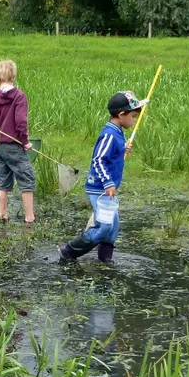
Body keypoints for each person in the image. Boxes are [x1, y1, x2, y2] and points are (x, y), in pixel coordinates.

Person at [58, 91, 142, 263]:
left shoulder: (117, 132)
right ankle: (68, 252)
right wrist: (108, 183)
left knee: (113, 227)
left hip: (106, 190)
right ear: (121, 115)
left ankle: (105, 260)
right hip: (99, 188)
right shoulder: (109, 134)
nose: (134, 121)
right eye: (133, 116)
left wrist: (121, 150)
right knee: (104, 226)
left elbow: (110, 154)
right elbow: (98, 161)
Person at [0, 60, 35, 224]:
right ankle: (29, 216)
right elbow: (21, 122)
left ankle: (3, 214)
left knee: (3, 182)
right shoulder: (19, 96)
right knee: (26, 180)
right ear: (14, 76)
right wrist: (25, 141)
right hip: (13, 146)